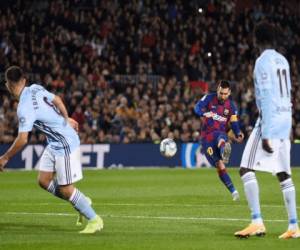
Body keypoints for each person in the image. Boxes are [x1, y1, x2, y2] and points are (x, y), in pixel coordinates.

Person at [0, 66, 103, 234]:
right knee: (44, 180)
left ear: (8, 85)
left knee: (66, 189)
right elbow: (57, 100)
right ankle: (80, 200)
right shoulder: (35, 88)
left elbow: (23, 139)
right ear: (24, 80)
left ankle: (94, 219)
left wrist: (5, 158)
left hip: (65, 144)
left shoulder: (24, 107)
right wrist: (65, 118)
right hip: (54, 142)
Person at [234, 21, 300, 239]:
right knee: (283, 173)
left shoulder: (262, 61)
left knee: (245, 168)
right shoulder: (283, 60)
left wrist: (267, 133)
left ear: (257, 40)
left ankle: (256, 221)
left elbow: (267, 94)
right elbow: (287, 94)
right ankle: (293, 225)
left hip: (269, 123)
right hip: (285, 120)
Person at [194, 80, 244, 201]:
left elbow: (234, 122)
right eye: (221, 93)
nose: (223, 96)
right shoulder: (209, 98)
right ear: (217, 90)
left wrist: (238, 133)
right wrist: (204, 113)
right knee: (220, 165)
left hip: (220, 134)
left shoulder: (231, 106)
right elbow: (197, 107)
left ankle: (224, 148)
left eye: (225, 94)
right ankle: (233, 190)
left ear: (229, 92)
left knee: (221, 136)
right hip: (206, 138)